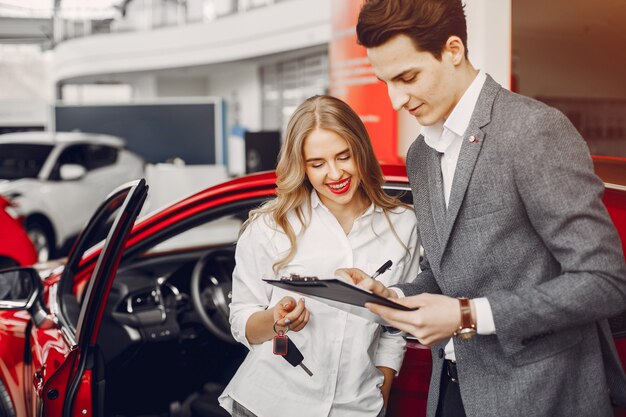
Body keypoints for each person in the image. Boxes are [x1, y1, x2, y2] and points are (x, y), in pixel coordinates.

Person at [335, 1, 626, 416]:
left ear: (453, 50)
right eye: (385, 82)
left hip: (539, 395)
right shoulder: (420, 153)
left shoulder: (532, 130)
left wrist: (467, 315)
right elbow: (445, 272)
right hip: (452, 392)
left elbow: (605, 282)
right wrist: (393, 296)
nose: (396, 99)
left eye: (407, 77)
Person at [218, 95, 419, 417]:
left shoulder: (404, 225)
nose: (335, 174)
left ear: (361, 152)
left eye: (344, 156)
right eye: (317, 163)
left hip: (358, 409)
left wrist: (382, 387)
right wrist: (275, 320)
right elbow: (242, 320)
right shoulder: (271, 226)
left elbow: (394, 326)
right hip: (270, 405)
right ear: (302, 166)